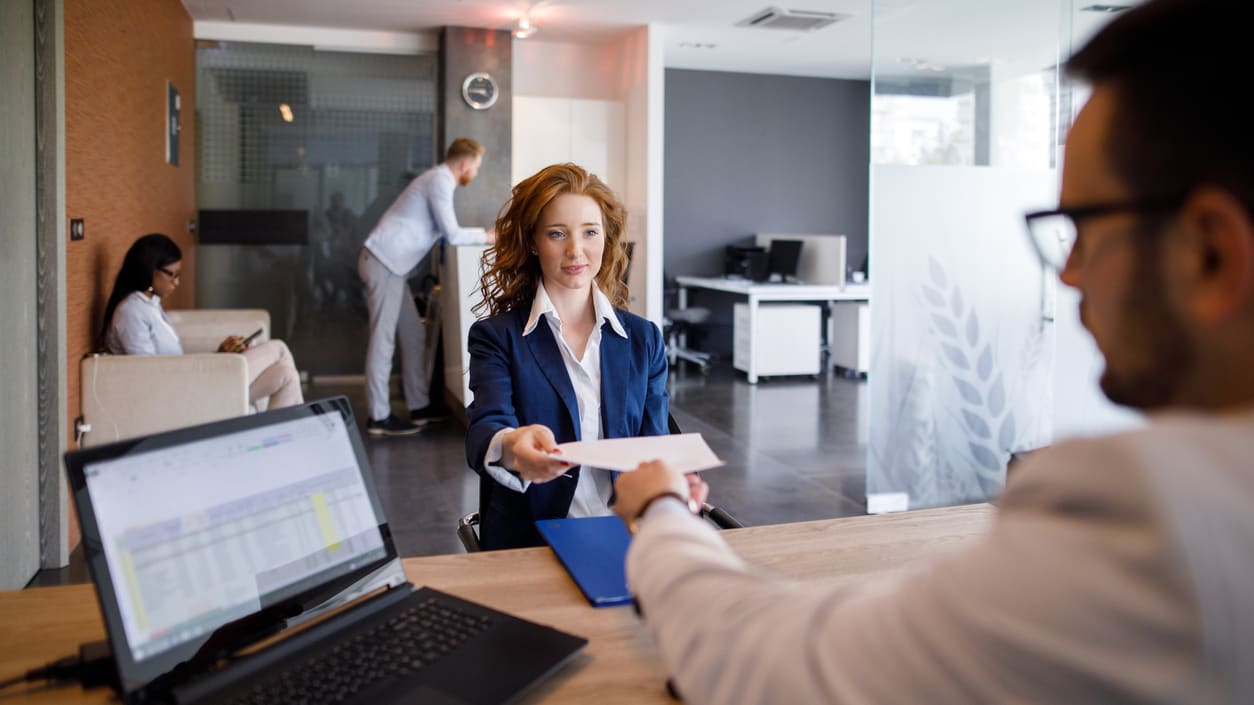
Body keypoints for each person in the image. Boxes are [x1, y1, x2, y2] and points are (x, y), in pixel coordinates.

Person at [614, 0, 1254, 702]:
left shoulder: (1150, 518)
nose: (1067, 273)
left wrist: (664, 512)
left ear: (1212, 252)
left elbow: (770, 667)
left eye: (1081, 227)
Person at [465, 163, 669, 550]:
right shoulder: (497, 338)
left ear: (607, 238)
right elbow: (484, 428)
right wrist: (512, 445)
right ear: (532, 241)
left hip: (626, 537)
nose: (576, 250)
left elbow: (654, 445)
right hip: (531, 542)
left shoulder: (644, 340)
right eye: (557, 234)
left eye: (590, 232)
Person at [359, 137, 496, 437]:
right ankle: (378, 417)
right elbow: (452, 233)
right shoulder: (440, 181)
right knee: (383, 341)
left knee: (414, 334)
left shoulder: (438, 180)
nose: (474, 173)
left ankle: (419, 407)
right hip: (383, 262)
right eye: (475, 167)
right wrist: (487, 237)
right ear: (464, 164)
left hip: (393, 268)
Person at [102, 233, 305, 410]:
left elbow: (171, 360)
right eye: (172, 275)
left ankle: (282, 444)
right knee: (278, 348)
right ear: (149, 270)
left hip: (192, 382)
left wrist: (218, 356)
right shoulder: (131, 312)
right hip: (184, 392)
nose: (177, 282)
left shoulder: (149, 304)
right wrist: (214, 364)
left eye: (179, 275)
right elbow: (148, 372)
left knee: (286, 376)